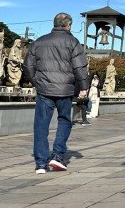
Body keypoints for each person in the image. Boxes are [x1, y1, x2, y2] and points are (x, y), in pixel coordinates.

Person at [26, 12, 89, 175]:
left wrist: (36, 82)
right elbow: (80, 67)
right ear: (68, 25)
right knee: (64, 121)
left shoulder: (39, 41)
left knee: (41, 125)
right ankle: (57, 156)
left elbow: (28, 65)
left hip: (44, 90)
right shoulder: (73, 42)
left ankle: (40, 163)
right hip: (65, 90)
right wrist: (84, 87)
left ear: (54, 24)